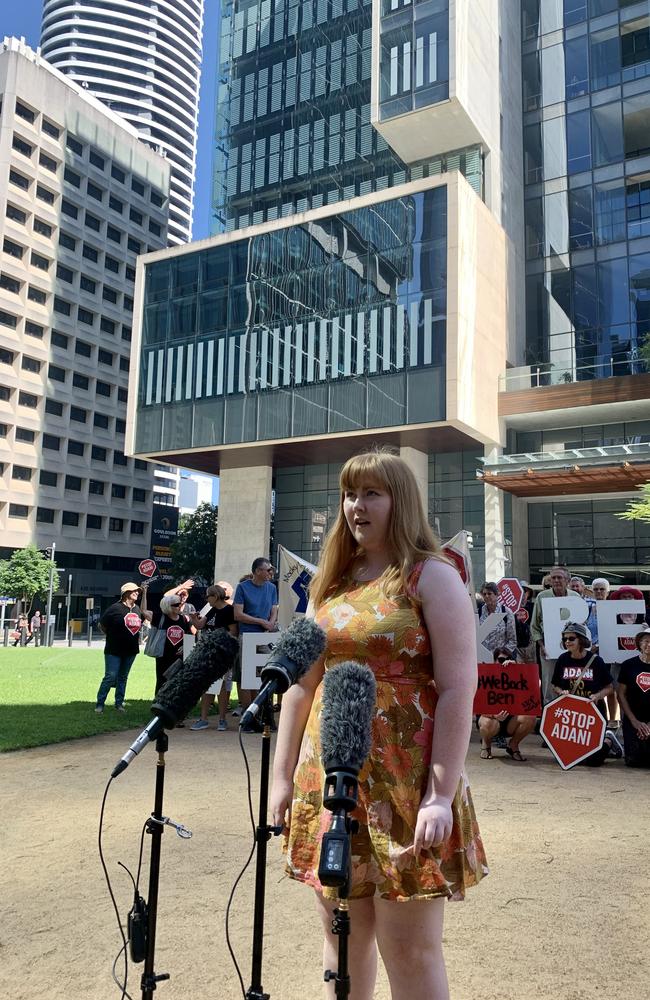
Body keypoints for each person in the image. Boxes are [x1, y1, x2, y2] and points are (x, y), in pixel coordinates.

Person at [270, 448, 487, 1000]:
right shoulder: (333, 581)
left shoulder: (431, 576)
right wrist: (281, 777)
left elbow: (459, 688)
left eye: (371, 494)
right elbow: (303, 683)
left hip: (406, 779)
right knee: (341, 938)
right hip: (331, 780)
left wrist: (440, 794)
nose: (356, 506)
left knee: (410, 947)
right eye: (349, 494)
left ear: (400, 502)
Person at [550, 622, 622, 766]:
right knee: (568, 757)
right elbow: (554, 685)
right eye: (565, 639)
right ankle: (604, 740)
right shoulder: (563, 659)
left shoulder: (596, 661)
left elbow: (610, 688)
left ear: (581, 640)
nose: (567, 642)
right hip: (571, 715)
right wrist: (561, 692)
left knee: (594, 761)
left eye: (571, 638)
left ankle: (608, 740)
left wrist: (597, 696)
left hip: (593, 713)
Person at [95, 583, 152, 713]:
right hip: (113, 650)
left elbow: (144, 611)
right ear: (126, 593)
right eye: (134, 591)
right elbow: (102, 625)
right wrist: (112, 636)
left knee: (123, 677)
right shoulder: (114, 608)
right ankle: (100, 704)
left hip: (130, 650)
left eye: (138, 591)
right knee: (110, 676)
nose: (137, 593)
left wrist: (145, 593)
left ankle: (119, 704)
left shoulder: (137, 609)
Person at [233, 558, 278, 719]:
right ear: (258, 571)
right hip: (248, 635)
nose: (270, 573)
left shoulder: (272, 588)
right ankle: (248, 715)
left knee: (268, 673)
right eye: (268, 570)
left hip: (265, 636)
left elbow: (274, 609)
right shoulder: (242, 588)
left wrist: (270, 623)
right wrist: (261, 621)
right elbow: (238, 614)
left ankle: (265, 712)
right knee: (247, 676)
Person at [190, 584, 238, 731]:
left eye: (208, 596)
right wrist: (193, 619)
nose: (206, 599)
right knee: (207, 684)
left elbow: (233, 631)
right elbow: (199, 625)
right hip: (208, 651)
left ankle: (222, 719)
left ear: (215, 596)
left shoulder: (229, 611)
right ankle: (203, 719)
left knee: (222, 685)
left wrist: (218, 639)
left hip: (222, 652)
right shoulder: (211, 610)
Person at [530, 566, 579, 705]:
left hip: (571, 647)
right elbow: (535, 626)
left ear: (567, 580)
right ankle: (549, 719)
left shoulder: (575, 597)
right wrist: (542, 645)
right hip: (548, 646)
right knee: (549, 683)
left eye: (560, 577)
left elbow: (580, 624)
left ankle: (570, 714)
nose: (556, 580)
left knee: (570, 680)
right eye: (553, 578)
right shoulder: (542, 597)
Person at [145, 592, 193, 694]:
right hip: (163, 656)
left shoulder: (184, 619)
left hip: (179, 658)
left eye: (180, 604)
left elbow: (190, 636)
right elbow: (144, 611)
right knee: (162, 680)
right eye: (176, 604)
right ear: (168, 606)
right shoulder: (160, 618)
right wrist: (145, 593)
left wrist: (185, 647)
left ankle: (173, 703)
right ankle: (159, 703)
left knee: (177, 681)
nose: (179, 606)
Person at [616, 626, 650, 768]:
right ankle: (612, 740)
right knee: (633, 761)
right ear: (639, 644)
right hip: (633, 719)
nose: (649, 645)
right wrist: (634, 721)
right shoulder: (628, 665)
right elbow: (621, 694)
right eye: (646, 641)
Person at [477, 582, 517, 660]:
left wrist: (502, 655)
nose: (487, 596)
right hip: (482, 659)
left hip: (500, 660)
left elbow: (512, 640)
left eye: (489, 594)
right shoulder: (479, 612)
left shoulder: (506, 612)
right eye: (484, 594)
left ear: (496, 594)